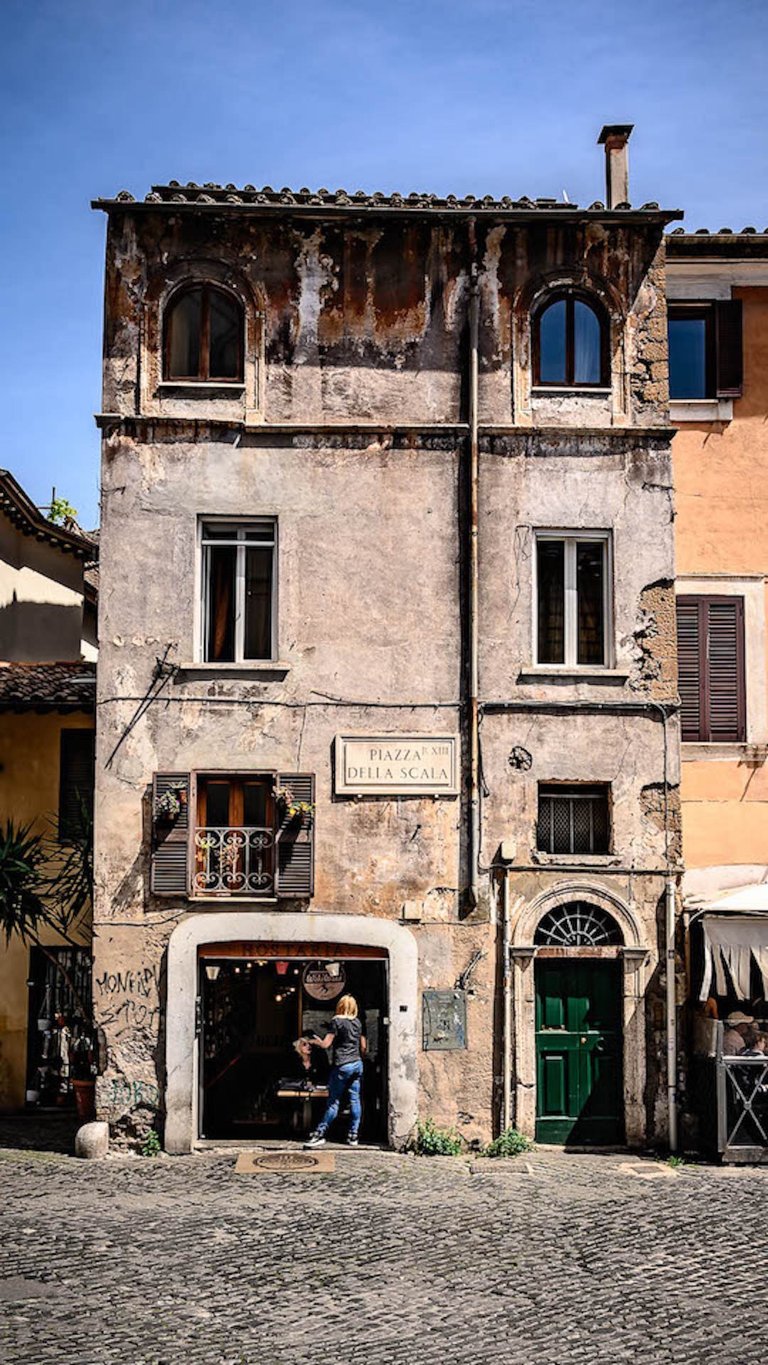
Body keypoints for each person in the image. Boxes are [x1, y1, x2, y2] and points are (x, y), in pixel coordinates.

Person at [304, 994, 366, 1148]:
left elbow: (326, 1044)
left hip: (342, 1065)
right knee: (355, 1100)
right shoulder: (357, 1022)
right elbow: (363, 1047)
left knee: (333, 1102)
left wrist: (315, 1041)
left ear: (340, 1006)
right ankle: (353, 1135)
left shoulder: (336, 1021)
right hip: (357, 1064)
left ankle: (319, 1134)